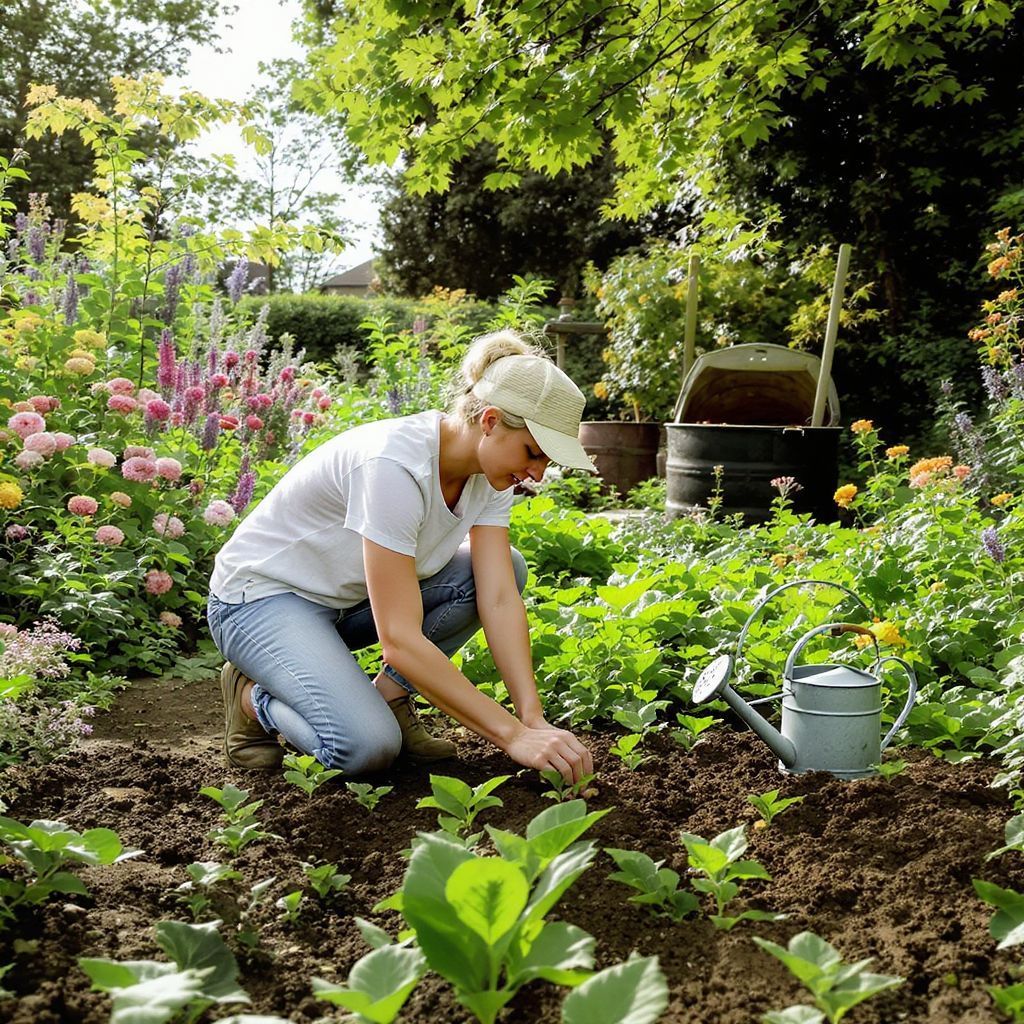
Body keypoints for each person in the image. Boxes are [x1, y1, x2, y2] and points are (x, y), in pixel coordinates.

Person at [206, 329, 595, 784]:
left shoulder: (489, 475)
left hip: (344, 601)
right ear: (490, 421)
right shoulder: (394, 467)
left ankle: (389, 697)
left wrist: (532, 718)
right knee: (365, 748)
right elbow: (400, 639)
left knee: (507, 566)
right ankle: (252, 698)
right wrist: (511, 737)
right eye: (533, 452)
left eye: (547, 461)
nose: (537, 473)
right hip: (259, 600)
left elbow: (499, 598)